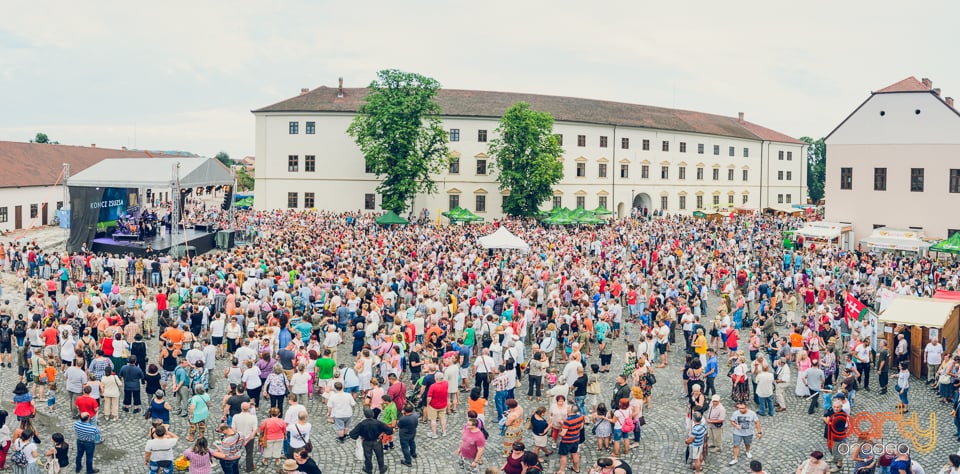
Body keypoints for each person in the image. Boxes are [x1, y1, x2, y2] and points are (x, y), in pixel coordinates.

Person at [349, 408, 393, 474]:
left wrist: (360, 436)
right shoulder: (378, 423)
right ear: (372, 414)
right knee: (380, 455)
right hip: (377, 441)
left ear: (365, 415)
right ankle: (382, 468)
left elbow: (352, 434)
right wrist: (382, 433)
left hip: (366, 442)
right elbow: (390, 430)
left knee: (367, 456)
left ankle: (369, 469)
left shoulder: (362, 424)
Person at [557, 404, 585, 474]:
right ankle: (576, 468)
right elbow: (581, 427)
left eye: (568, 408)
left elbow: (563, 433)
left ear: (570, 411)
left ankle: (562, 471)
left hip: (566, 441)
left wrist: (559, 432)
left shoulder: (567, 421)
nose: (567, 408)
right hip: (576, 439)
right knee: (575, 454)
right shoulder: (580, 417)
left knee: (563, 455)